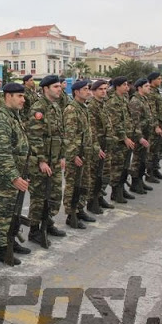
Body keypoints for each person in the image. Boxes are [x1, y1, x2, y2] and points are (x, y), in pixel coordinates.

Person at [0, 82, 31, 265]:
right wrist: (14, 177)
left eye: (23, 96)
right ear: (8, 96)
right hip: (9, 175)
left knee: (14, 211)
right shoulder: (2, 118)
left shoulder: (14, 116)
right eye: (20, 96)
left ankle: (11, 241)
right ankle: (1, 249)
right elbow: (3, 152)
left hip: (18, 171)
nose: (23, 99)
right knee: (5, 212)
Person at [26, 75, 67, 246]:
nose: (59, 89)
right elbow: (35, 137)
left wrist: (63, 156)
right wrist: (41, 160)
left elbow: (60, 134)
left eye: (59, 86)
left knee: (55, 195)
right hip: (41, 162)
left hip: (55, 160)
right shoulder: (38, 109)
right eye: (56, 86)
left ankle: (47, 222)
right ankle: (35, 230)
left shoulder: (56, 107)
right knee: (39, 197)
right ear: (45, 89)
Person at [62, 80, 96, 229]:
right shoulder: (71, 109)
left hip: (85, 153)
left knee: (84, 183)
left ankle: (80, 209)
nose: (88, 91)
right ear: (76, 92)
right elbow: (69, 136)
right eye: (85, 89)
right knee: (73, 185)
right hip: (75, 154)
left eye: (88, 89)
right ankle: (71, 214)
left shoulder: (84, 108)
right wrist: (73, 155)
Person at [105, 76, 136, 203]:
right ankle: (115, 192)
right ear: (117, 86)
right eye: (124, 85)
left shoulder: (123, 98)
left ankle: (122, 188)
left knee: (124, 166)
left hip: (127, 137)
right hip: (118, 140)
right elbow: (115, 123)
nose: (127, 87)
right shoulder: (113, 101)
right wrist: (124, 138)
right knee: (117, 167)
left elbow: (127, 118)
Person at [87, 80, 114, 213]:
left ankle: (100, 196)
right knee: (95, 175)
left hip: (106, 145)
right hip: (98, 145)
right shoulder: (91, 106)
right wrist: (96, 147)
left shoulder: (104, 105)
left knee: (105, 173)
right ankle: (92, 201)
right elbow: (92, 130)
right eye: (100, 89)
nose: (103, 91)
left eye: (105, 89)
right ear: (93, 91)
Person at [128, 79, 154, 194]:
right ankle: (135, 183)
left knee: (143, 159)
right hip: (139, 135)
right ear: (139, 88)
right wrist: (139, 137)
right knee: (137, 160)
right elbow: (135, 121)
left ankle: (140, 180)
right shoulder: (135, 101)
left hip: (146, 133)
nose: (149, 88)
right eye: (146, 86)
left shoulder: (143, 99)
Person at [146, 72, 162, 182]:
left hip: (160, 123)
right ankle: (149, 173)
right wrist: (156, 126)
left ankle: (155, 169)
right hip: (155, 126)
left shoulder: (156, 91)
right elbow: (152, 111)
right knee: (152, 150)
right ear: (153, 80)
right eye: (159, 79)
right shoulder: (150, 93)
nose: (161, 80)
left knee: (158, 149)